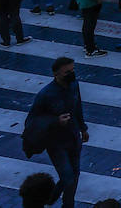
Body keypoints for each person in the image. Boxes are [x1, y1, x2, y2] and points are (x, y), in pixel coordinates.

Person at [25, 57, 89, 208]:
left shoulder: (74, 85)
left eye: (72, 70)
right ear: (56, 74)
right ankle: (59, 201)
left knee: (74, 174)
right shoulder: (45, 95)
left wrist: (83, 128)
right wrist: (55, 121)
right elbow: (32, 121)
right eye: (67, 72)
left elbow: (78, 107)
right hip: (56, 143)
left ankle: (61, 201)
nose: (71, 74)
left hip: (73, 138)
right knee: (68, 176)